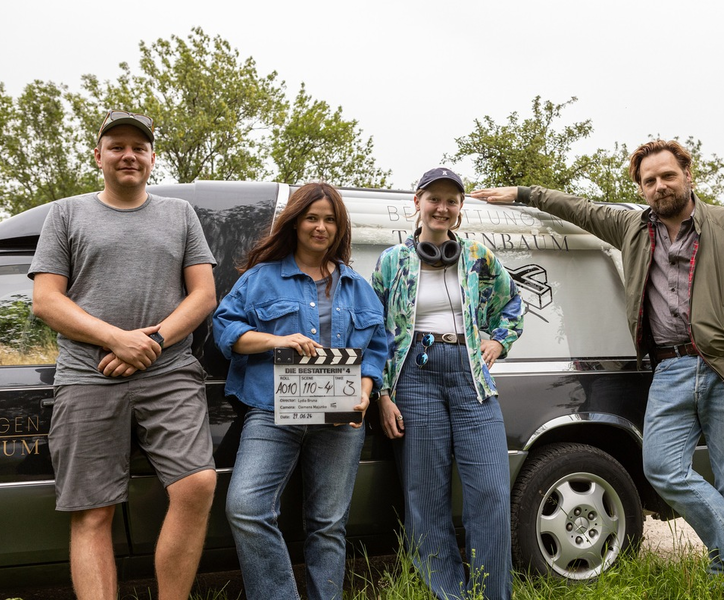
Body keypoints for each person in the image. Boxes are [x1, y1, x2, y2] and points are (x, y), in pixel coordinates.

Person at [471, 139, 724, 600]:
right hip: (669, 368)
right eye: (649, 180)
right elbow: (575, 208)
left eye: (667, 175)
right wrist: (522, 192)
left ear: (688, 174)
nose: (659, 186)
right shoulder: (631, 227)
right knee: (660, 467)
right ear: (640, 188)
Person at [29, 110, 218, 600]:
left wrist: (151, 343)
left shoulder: (179, 214)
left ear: (152, 158)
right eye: (116, 146)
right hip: (86, 376)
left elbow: (203, 295)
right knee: (93, 512)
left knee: (197, 485)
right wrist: (116, 339)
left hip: (170, 370)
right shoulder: (66, 213)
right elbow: (46, 299)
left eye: (139, 147)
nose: (128, 154)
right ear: (99, 156)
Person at [212, 182, 388, 600]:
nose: (320, 227)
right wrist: (278, 340)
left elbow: (377, 349)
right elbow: (226, 329)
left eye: (330, 220)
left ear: (339, 228)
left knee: (328, 524)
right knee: (247, 508)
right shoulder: (259, 279)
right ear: (295, 222)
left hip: (342, 417)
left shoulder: (358, 287)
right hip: (272, 411)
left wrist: (366, 392)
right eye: (312, 217)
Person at [372, 168, 524, 600]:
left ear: (459, 209)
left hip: (470, 376)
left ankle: (493, 593)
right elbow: (377, 332)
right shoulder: (391, 261)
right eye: (434, 198)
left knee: (492, 493)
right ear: (417, 203)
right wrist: (383, 393)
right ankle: (449, 594)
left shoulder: (478, 254)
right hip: (414, 376)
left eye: (451, 201)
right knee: (425, 496)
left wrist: (498, 342)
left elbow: (512, 302)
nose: (442, 207)